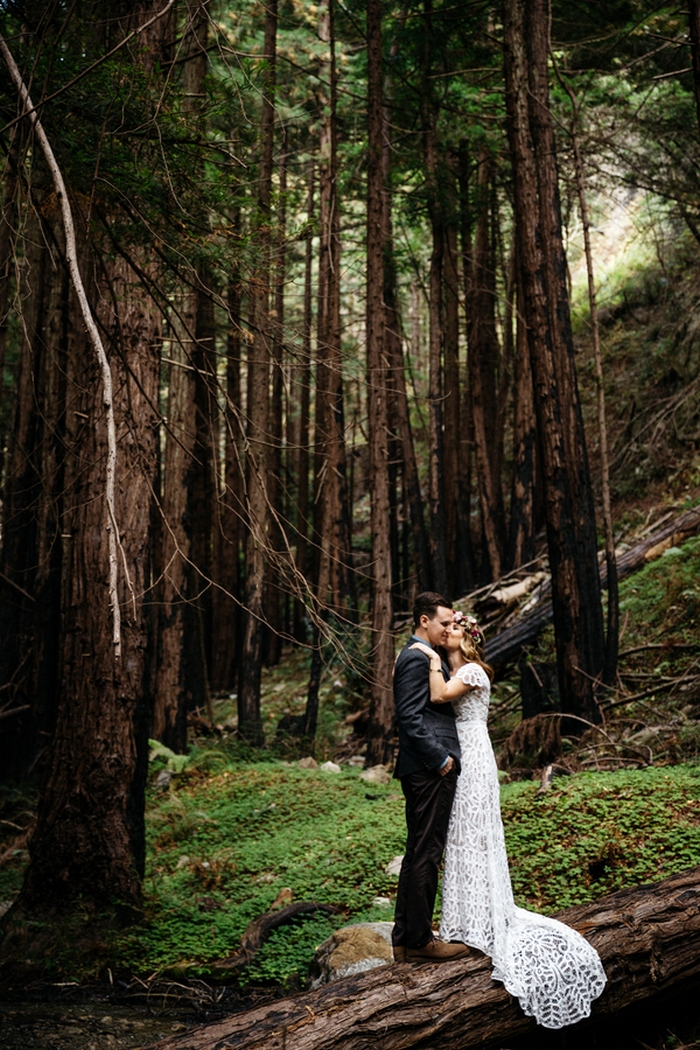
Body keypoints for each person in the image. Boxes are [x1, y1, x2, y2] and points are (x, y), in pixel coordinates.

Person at [409, 611, 606, 1028]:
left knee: (476, 834)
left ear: (469, 638)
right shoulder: (452, 666)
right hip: (460, 753)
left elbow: (441, 696)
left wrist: (428, 659)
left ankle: (482, 918)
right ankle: (463, 918)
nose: (449, 632)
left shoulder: (475, 672)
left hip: (476, 757)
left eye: (456, 628)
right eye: (446, 627)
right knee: (460, 836)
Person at [391, 592, 470, 963]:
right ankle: (422, 940)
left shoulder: (428, 657)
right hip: (428, 768)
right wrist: (440, 758)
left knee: (418, 851)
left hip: (423, 767)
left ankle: (404, 939)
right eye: (442, 623)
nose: (446, 629)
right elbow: (408, 717)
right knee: (427, 851)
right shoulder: (413, 658)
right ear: (424, 621)